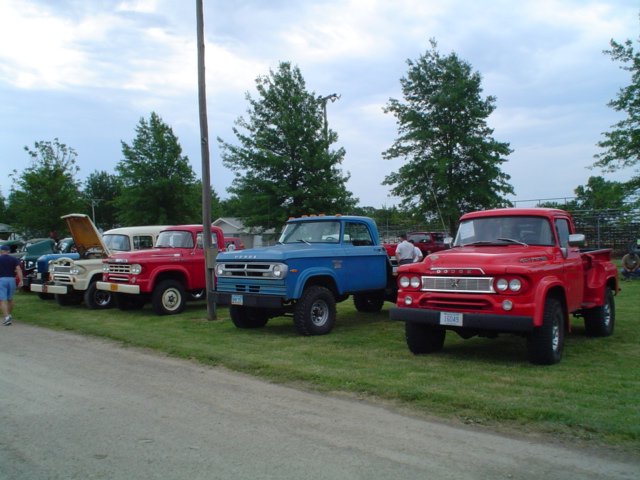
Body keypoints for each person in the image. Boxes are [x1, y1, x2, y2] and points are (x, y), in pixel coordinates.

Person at [0, 244, 23, 325]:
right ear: (8, 251)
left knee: (2, 300)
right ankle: (9, 315)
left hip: (1, 279)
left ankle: (6, 317)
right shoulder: (14, 259)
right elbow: (18, 269)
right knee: (10, 299)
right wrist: (21, 280)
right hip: (11, 279)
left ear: (1, 251)